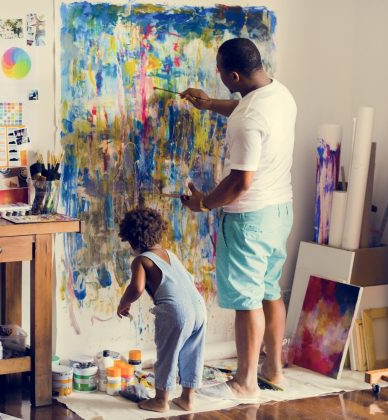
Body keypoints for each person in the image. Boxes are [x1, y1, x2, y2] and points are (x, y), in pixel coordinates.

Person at [180, 37, 296, 401]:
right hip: (280, 210)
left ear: (233, 74)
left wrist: (204, 203)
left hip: (249, 218)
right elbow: (248, 111)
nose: (218, 76)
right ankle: (273, 371)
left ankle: (245, 383)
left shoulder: (247, 119)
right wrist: (211, 104)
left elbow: (240, 182)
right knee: (268, 292)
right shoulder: (279, 93)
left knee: (247, 300)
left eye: (220, 73)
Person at [117, 207, 207, 412]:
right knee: (193, 352)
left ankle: (161, 400)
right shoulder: (170, 255)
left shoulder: (141, 260)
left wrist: (124, 302)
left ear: (131, 240)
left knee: (168, 353)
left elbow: (137, 288)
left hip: (176, 311)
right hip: (199, 308)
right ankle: (187, 399)